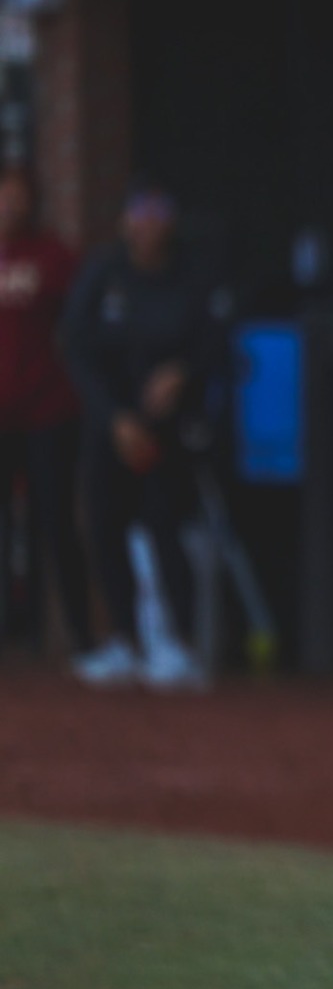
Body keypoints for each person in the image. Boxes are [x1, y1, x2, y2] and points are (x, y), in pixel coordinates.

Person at [59, 182, 227, 691]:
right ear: (125, 220)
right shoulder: (103, 273)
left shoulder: (193, 275)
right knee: (103, 524)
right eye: (140, 211)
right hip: (111, 424)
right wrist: (113, 418)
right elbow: (74, 345)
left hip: (169, 425)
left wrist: (182, 373)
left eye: (158, 212)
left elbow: (217, 344)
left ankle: (176, 642)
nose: (148, 222)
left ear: (171, 220)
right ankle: (125, 639)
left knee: (164, 523)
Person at [0, 164, 92, 661]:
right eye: (4, 195)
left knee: (56, 521)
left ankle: (82, 638)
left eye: (19, 196)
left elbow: (85, 320)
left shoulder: (53, 257)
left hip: (47, 412)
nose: (11, 204)